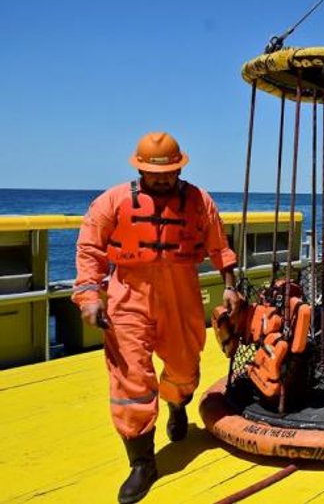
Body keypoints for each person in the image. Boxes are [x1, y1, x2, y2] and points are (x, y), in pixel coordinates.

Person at [72, 132, 241, 503]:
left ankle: (176, 403)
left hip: (181, 294)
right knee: (131, 378)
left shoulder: (199, 200)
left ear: (180, 167)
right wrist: (89, 296)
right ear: (139, 168)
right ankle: (142, 462)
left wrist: (230, 286)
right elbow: (90, 249)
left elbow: (219, 245)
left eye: (169, 172)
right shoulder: (111, 201)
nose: (162, 179)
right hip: (128, 295)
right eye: (154, 173)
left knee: (184, 367)